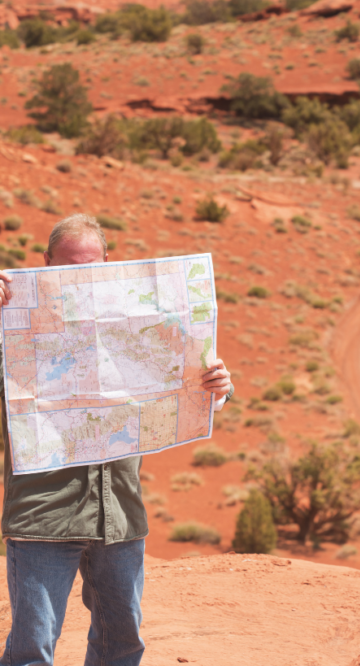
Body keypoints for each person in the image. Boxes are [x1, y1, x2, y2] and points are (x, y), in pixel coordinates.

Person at [0, 214, 232, 665]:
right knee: (32, 647)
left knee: (122, 642)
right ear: (45, 263)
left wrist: (216, 388)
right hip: (44, 517)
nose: (80, 279)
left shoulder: (140, 321)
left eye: (91, 267)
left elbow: (183, 380)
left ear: (111, 261)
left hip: (120, 513)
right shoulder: (12, 326)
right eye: (68, 267)